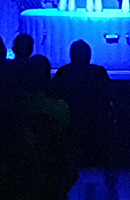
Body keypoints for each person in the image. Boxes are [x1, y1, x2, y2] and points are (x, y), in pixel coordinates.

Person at [50, 40, 117, 192]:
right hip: (97, 122)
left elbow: (53, 94)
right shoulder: (99, 71)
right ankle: (110, 180)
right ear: (89, 55)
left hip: (70, 122)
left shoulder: (64, 71)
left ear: (71, 55)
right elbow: (111, 94)